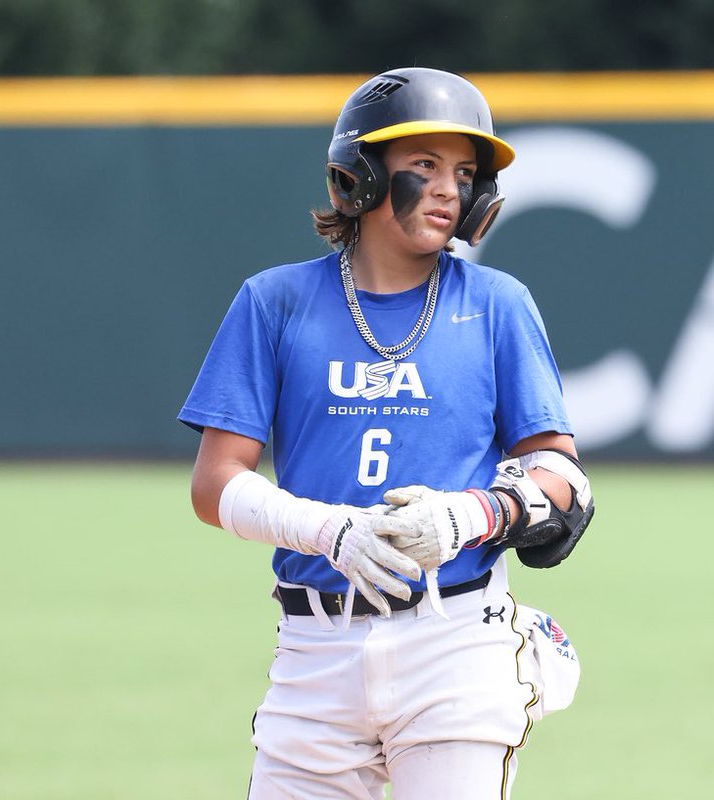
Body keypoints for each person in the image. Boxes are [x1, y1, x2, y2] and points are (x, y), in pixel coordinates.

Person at [179, 66, 595, 800]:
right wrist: (328, 531)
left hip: (455, 641)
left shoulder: (498, 303)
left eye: (464, 174)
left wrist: (466, 515)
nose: (448, 189)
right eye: (424, 166)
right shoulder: (274, 301)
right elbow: (214, 486)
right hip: (313, 651)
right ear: (361, 176)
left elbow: (561, 479)